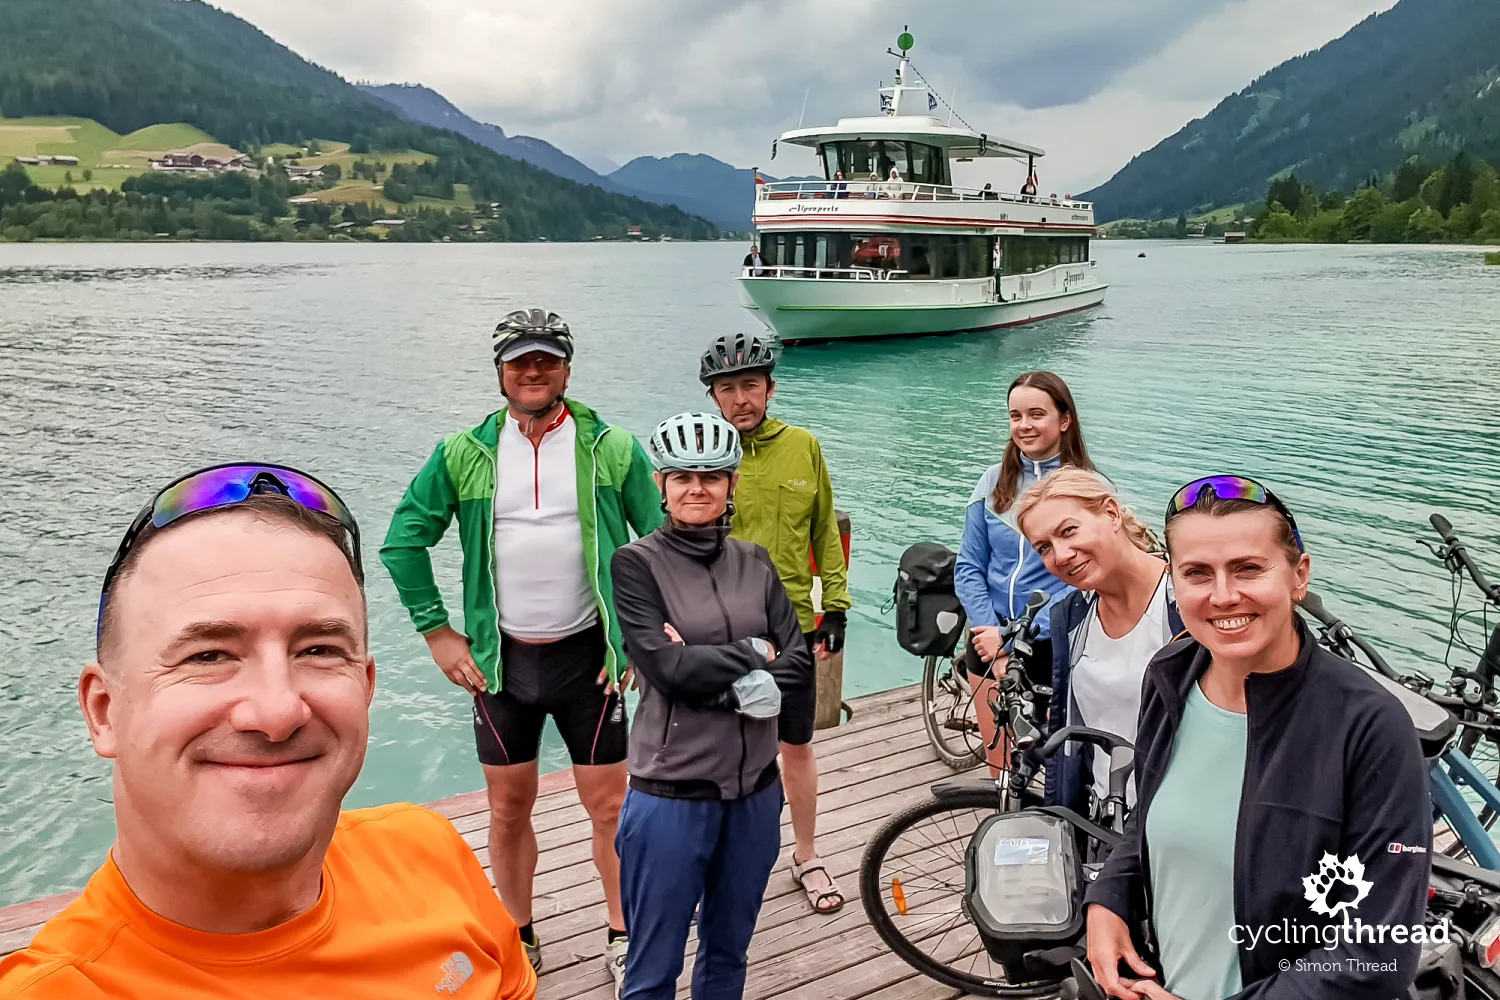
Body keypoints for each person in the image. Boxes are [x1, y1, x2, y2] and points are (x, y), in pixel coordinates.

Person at [0, 464, 535, 999]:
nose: (278, 712)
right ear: (103, 711)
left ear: (366, 685)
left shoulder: (427, 853)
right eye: (207, 655)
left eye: (320, 650)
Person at [382, 309, 662, 991]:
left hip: (588, 660)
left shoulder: (613, 449)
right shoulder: (463, 453)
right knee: (507, 810)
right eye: (520, 360)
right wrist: (437, 632)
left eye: (547, 359)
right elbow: (402, 540)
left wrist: (633, 639)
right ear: (500, 370)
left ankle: (623, 932)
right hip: (501, 665)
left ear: (567, 368)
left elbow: (659, 547)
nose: (533, 371)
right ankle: (519, 933)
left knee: (612, 808)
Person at [1085, 476, 1429, 1000]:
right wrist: (1109, 896)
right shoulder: (1170, 675)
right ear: (1174, 583)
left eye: (1248, 568)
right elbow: (1150, 814)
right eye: (1197, 573)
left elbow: (1379, 952)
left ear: (1299, 576)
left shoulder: (1369, 725)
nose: (1223, 596)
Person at [610, 412, 813, 1000]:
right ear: (661, 484)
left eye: (710, 476)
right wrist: (754, 653)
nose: (696, 488)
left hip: (754, 791)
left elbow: (799, 662)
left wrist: (713, 666)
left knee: (729, 954)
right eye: (682, 477)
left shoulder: (754, 560)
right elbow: (664, 669)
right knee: (653, 968)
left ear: (732, 485)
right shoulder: (637, 564)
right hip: (671, 793)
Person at [699, 333, 852, 916]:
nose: (741, 398)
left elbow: (823, 531)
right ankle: (717, 859)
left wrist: (834, 608)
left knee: (797, 746)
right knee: (719, 750)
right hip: (720, 630)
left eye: (750, 385)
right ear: (714, 397)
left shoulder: (803, 446)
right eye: (728, 388)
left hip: (790, 625)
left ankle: (806, 856)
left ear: (770, 387)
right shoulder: (704, 457)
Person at [1014, 468, 1183, 811]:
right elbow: (1070, 728)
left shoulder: (1184, 604)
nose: (1060, 556)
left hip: (1179, 822)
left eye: (1069, 531)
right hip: (1105, 817)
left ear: (1110, 513)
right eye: (1044, 547)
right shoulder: (1072, 617)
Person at [954, 371, 1098, 774]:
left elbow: (1094, 581)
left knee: (1059, 770)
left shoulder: (1088, 488)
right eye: (1015, 415)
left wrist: (1023, 637)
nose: (1024, 425)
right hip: (989, 639)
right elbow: (969, 567)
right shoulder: (991, 482)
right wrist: (988, 632)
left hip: (1056, 644)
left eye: (1037, 414)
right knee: (1000, 771)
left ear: (1064, 420)